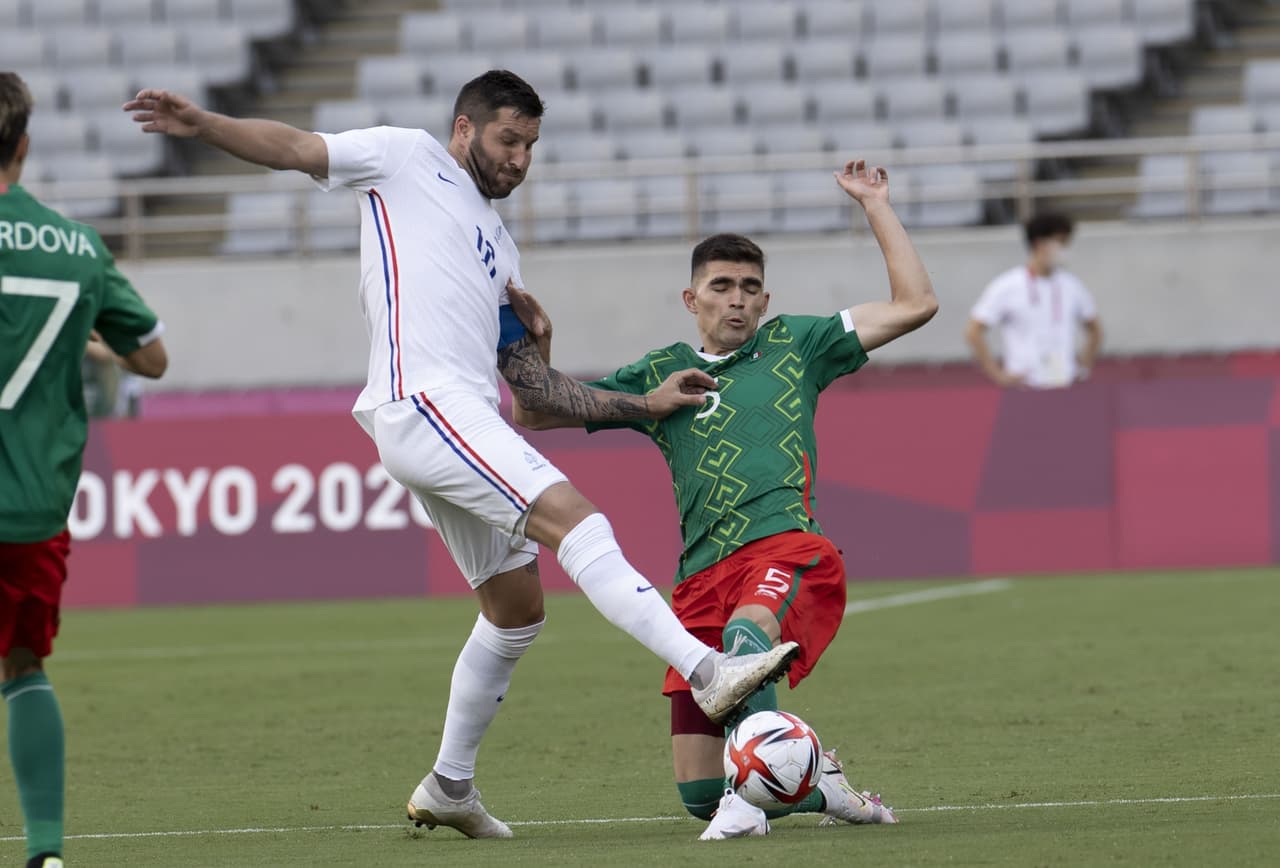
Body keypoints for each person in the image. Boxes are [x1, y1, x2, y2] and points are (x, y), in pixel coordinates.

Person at [123, 72, 798, 838]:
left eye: (532, 146)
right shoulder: (405, 159)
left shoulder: (501, 248)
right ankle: (709, 673)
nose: (519, 159)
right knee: (579, 521)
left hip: (461, 416)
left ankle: (449, 786)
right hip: (424, 404)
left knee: (515, 613)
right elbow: (295, 147)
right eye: (509, 139)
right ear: (464, 128)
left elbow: (534, 402)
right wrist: (202, 122)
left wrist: (632, 397)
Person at [510, 159, 938, 839]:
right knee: (699, 793)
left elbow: (916, 304)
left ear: (766, 302)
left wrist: (875, 204)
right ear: (692, 299)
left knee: (746, 644)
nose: (737, 299)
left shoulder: (797, 344)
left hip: (784, 548)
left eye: (750, 288)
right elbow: (535, 415)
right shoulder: (657, 375)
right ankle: (815, 783)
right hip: (700, 582)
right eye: (721, 286)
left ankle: (751, 802)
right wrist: (540, 349)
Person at [1, 72, 169, 868]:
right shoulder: (77, 249)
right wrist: (85, 337)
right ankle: (45, 853)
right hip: (32, 508)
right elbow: (155, 358)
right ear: (23, 149)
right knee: (23, 665)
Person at [965, 213, 1102, 389]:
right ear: (1039, 243)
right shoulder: (1008, 285)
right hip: (1025, 386)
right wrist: (998, 375)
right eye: (1060, 242)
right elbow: (973, 331)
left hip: (1064, 385)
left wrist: (1083, 368)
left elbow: (1096, 329)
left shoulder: (1072, 285)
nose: (1064, 249)